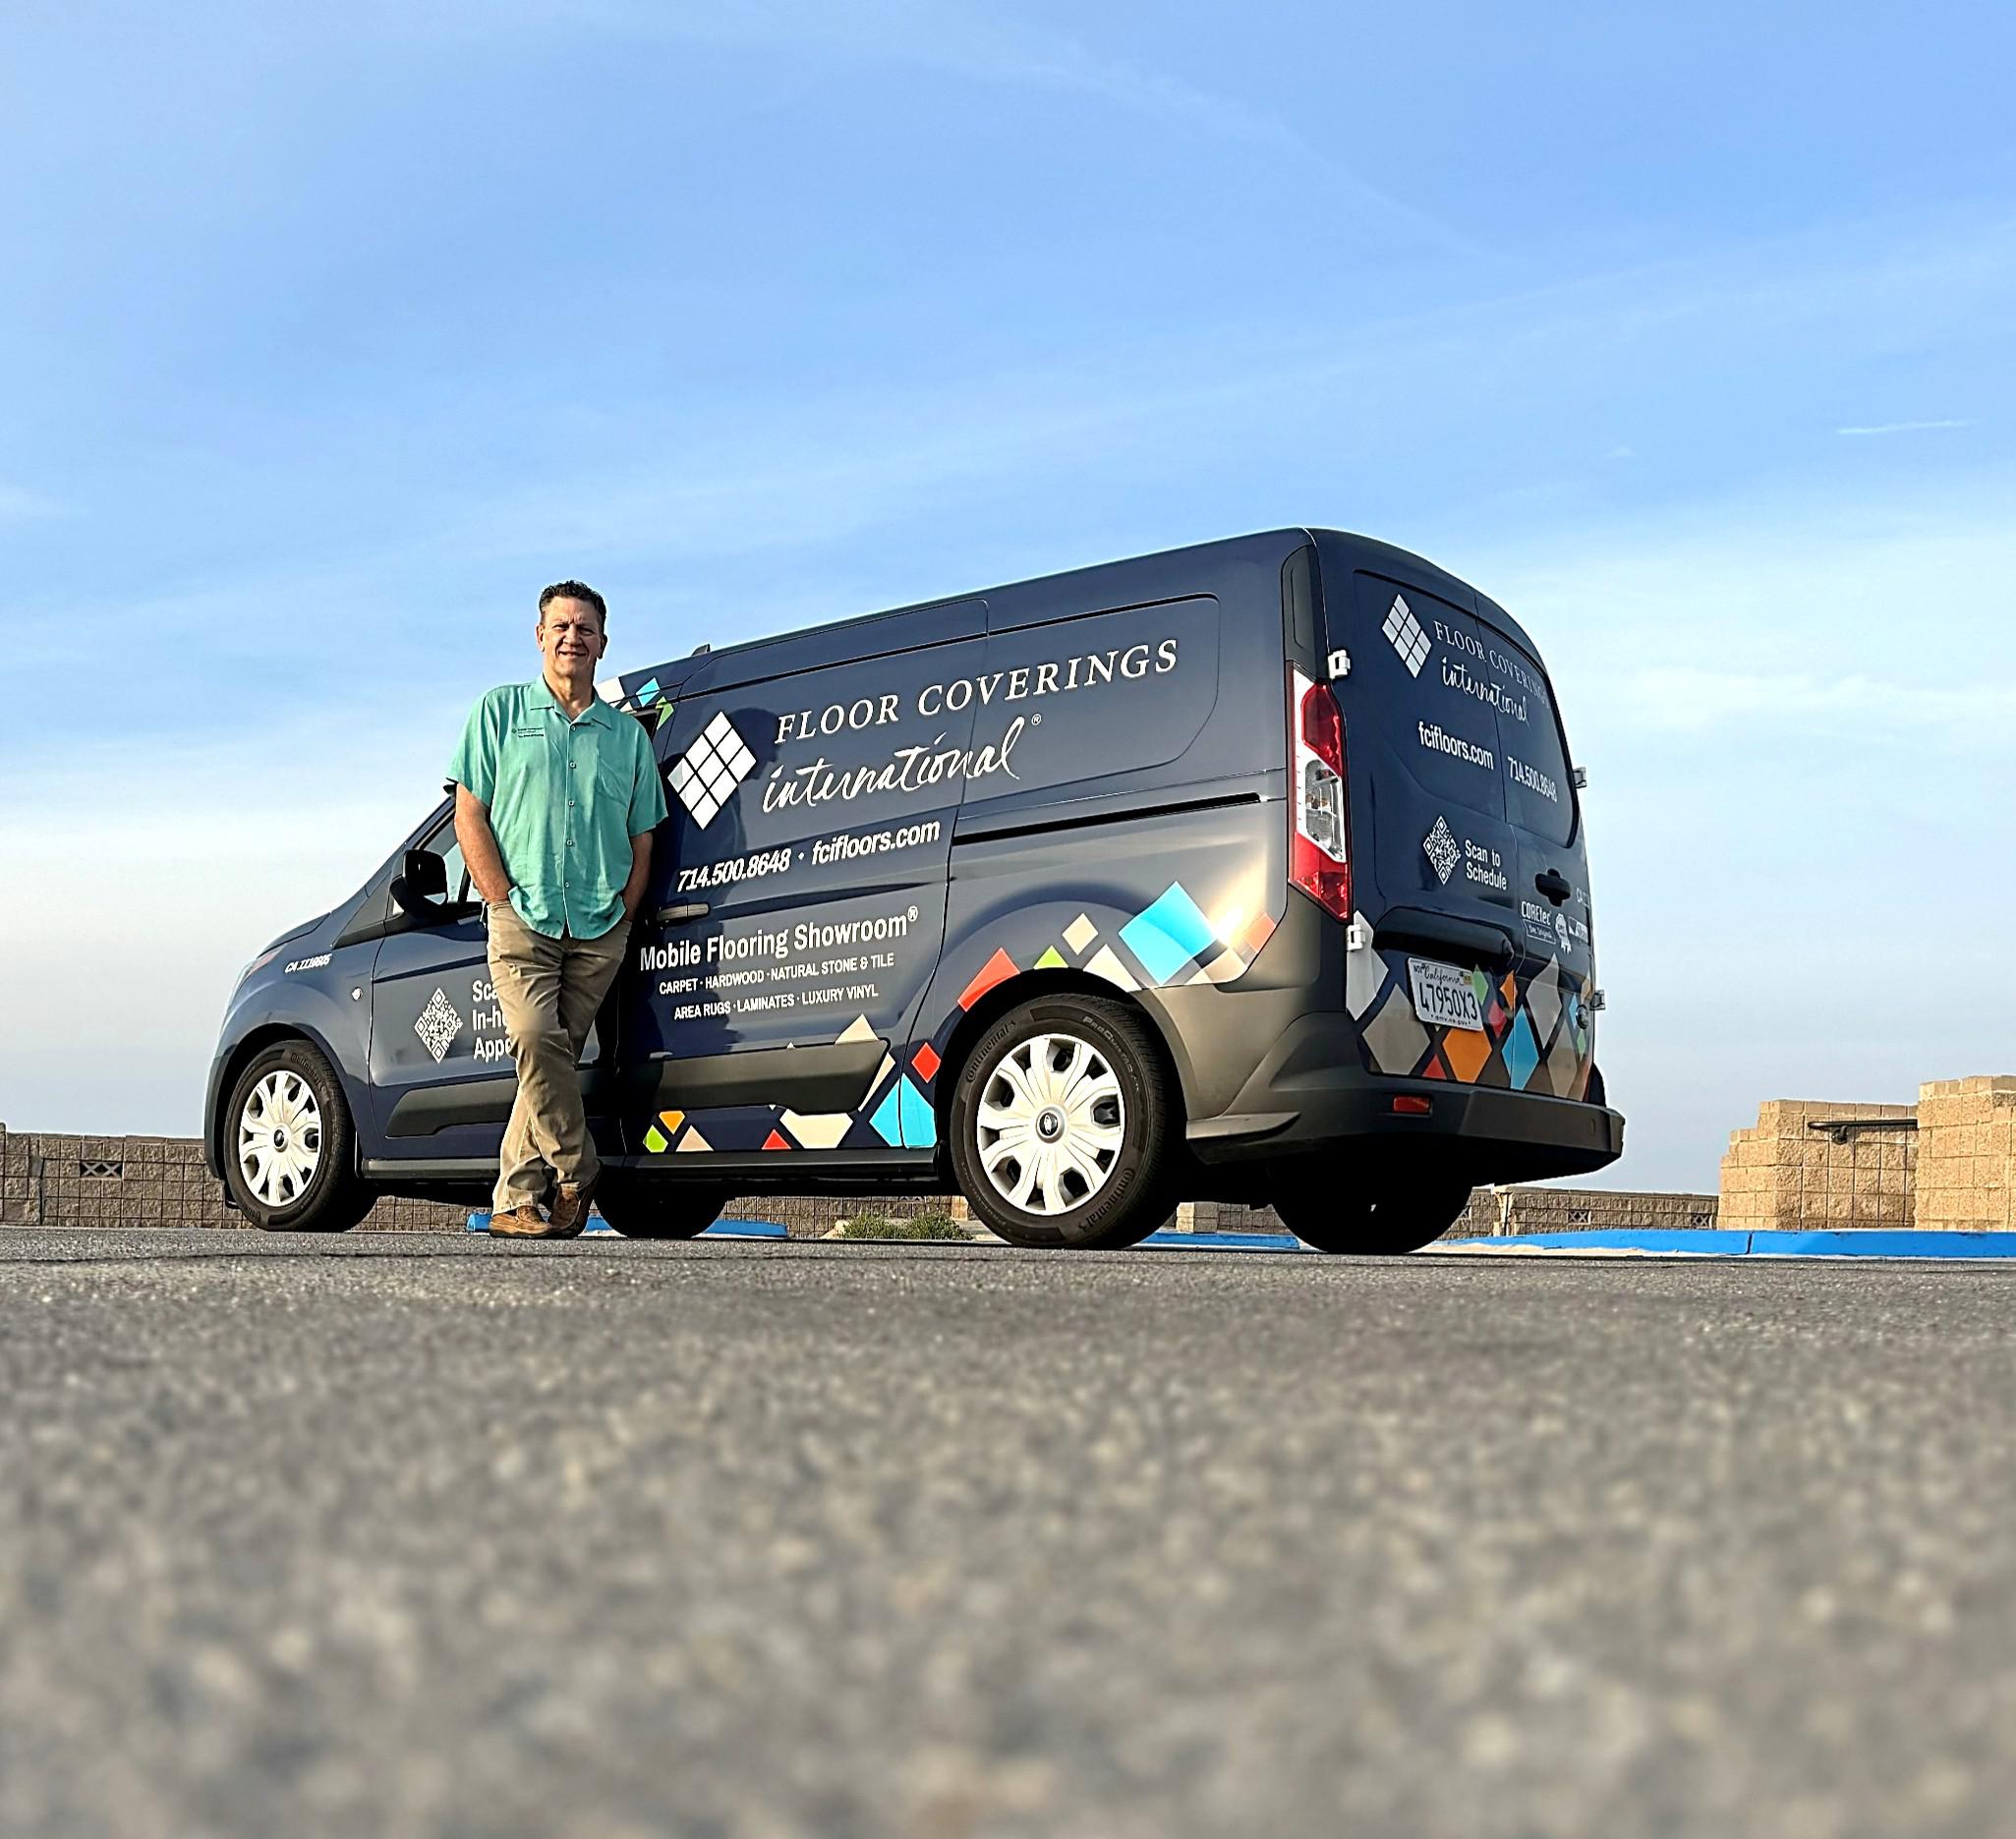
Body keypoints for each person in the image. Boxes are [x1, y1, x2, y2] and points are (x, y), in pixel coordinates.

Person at [447, 581, 666, 1237]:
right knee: (536, 1040)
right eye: (561, 626)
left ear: (603, 643)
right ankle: (577, 1171)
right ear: (539, 635)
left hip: (599, 925)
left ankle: (515, 1201)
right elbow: (469, 813)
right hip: (522, 915)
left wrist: (625, 913)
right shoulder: (499, 712)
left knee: (550, 1064)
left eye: (586, 628)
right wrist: (498, 897)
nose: (573, 636)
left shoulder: (626, 737)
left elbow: (643, 834)